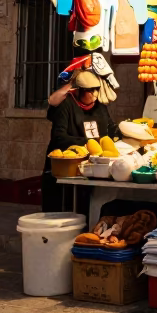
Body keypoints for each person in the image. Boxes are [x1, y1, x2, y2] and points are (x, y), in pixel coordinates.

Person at [40, 70, 120, 211]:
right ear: (79, 90)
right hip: (67, 168)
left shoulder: (100, 107)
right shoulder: (66, 106)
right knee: (65, 212)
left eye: (97, 90)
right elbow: (59, 137)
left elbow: (110, 128)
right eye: (90, 91)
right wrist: (86, 143)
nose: (95, 94)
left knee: (88, 209)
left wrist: (121, 133)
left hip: (94, 168)